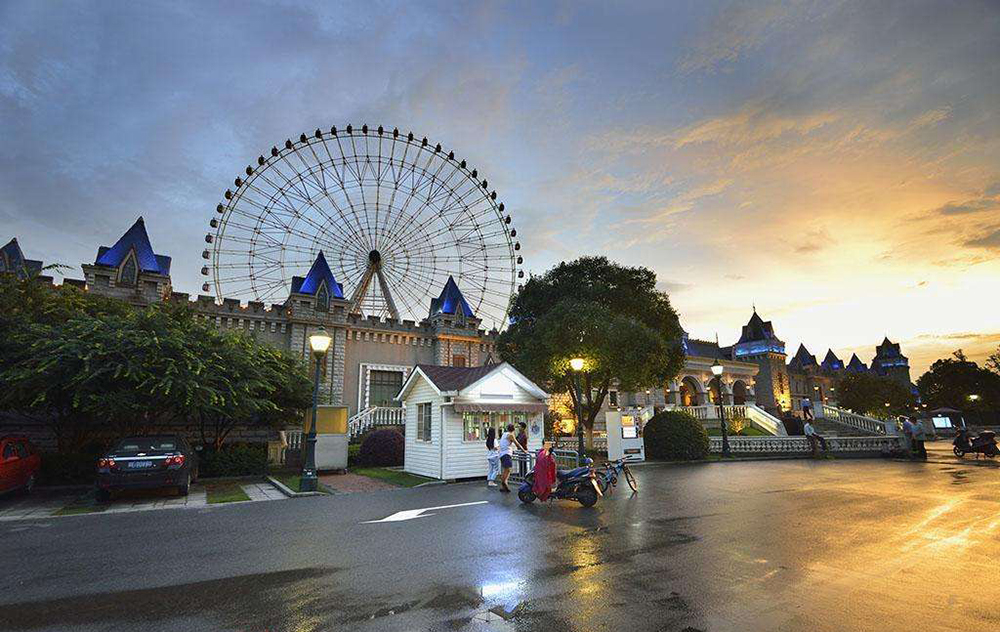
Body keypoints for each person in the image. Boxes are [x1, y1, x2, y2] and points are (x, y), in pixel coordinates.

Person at [497, 423, 524, 493]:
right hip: (506, 454)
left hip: (502, 454)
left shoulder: (504, 434)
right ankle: (504, 482)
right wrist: (524, 451)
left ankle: (504, 486)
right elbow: (517, 443)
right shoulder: (511, 435)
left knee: (505, 470)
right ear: (514, 429)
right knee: (508, 469)